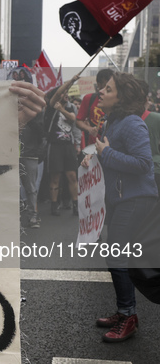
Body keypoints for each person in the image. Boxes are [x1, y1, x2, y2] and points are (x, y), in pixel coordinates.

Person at [82, 72, 158, 342]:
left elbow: (143, 163)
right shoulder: (112, 121)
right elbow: (110, 155)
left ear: (122, 97)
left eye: (109, 89)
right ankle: (123, 311)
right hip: (119, 199)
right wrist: (93, 158)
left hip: (135, 199)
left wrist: (105, 153)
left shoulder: (132, 123)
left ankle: (128, 316)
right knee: (116, 256)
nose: (101, 91)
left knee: (117, 256)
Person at [44, 87, 79, 216]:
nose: (66, 95)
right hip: (55, 146)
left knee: (72, 176)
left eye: (67, 93)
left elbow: (72, 120)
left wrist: (78, 144)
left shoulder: (70, 107)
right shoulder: (51, 107)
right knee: (55, 177)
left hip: (68, 146)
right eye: (63, 93)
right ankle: (54, 205)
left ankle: (75, 204)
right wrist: (57, 108)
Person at [76, 69, 113, 149]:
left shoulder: (116, 100)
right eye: (106, 84)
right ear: (99, 85)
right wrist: (89, 129)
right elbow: (78, 121)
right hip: (93, 146)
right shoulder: (89, 99)